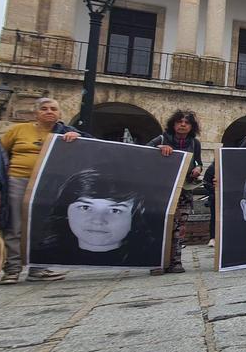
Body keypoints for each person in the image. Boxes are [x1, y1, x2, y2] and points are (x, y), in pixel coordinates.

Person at [0, 97, 85, 284]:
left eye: (53, 108)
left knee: (42, 225)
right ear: (36, 113)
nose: (49, 111)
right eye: (44, 108)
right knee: (15, 224)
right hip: (18, 179)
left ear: (60, 113)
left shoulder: (65, 131)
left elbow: (89, 144)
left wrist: (77, 138)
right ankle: (12, 269)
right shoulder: (19, 130)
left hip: (47, 182)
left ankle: (38, 268)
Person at [29, 168, 155, 266]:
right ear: (66, 209)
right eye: (86, 208)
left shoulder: (151, 256)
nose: (98, 221)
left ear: (136, 214)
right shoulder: (43, 256)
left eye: (115, 210)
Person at [148, 110, 205, 274]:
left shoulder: (195, 143)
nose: (183, 125)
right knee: (160, 226)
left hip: (184, 191)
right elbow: (143, 152)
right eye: (179, 122)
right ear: (173, 124)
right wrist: (159, 148)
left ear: (191, 127)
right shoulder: (161, 139)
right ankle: (157, 262)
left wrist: (197, 168)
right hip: (162, 191)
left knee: (180, 228)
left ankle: (176, 261)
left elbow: (198, 162)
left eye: (187, 123)